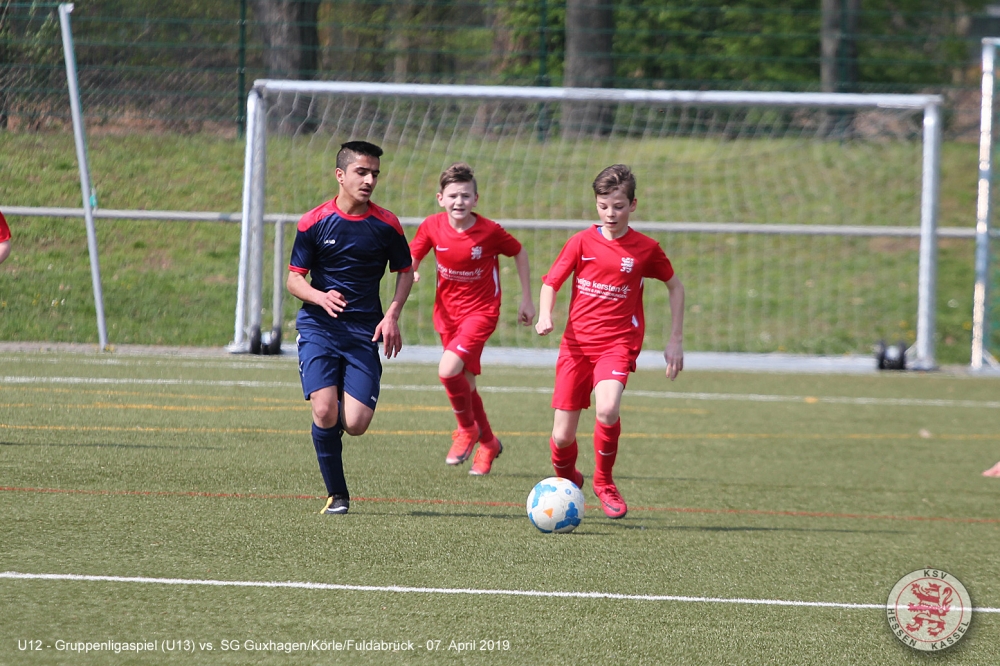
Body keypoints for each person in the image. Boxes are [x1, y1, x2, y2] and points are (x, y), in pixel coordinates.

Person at [535, 164, 685, 519]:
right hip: (575, 347)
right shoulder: (581, 242)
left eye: (618, 206)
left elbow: (675, 286)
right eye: (603, 206)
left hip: (616, 345)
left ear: (633, 205)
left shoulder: (645, 249)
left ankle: (604, 482)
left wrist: (675, 339)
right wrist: (545, 315)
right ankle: (568, 478)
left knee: (607, 408)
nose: (610, 213)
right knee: (562, 437)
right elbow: (551, 283)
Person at [286, 140, 414, 516]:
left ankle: (334, 403)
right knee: (325, 410)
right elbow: (294, 279)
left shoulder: (386, 224)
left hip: (363, 332)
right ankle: (337, 495)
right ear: (340, 175)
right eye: (362, 172)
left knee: (355, 423)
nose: (369, 180)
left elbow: (405, 271)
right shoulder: (314, 221)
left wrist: (392, 315)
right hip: (319, 328)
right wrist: (319, 297)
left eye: (375, 173)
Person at [410, 163, 535, 475]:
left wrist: (527, 298)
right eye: (453, 195)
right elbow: (413, 255)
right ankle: (489, 443)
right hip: (446, 315)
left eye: (465, 196)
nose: (459, 201)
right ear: (440, 198)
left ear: (476, 199)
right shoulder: (432, 226)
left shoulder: (489, 231)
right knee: (465, 382)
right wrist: (411, 271)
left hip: (481, 313)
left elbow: (519, 252)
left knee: (447, 370)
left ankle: (467, 430)